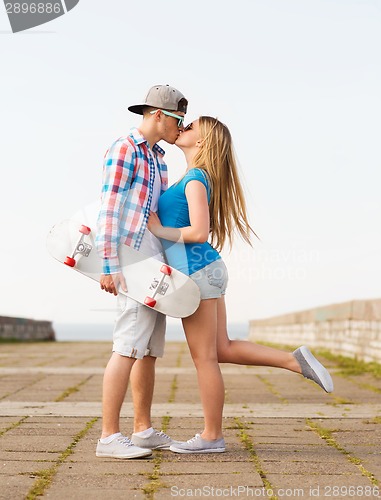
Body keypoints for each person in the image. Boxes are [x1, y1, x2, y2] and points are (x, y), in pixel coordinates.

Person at [147, 116, 334, 454]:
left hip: (196, 272)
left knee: (205, 358)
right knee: (222, 348)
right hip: (207, 269)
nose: (183, 129)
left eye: (190, 128)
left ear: (202, 142)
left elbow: (199, 233)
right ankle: (295, 362)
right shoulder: (197, 177)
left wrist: (160, 231)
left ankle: (211, 436)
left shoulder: (194, 180)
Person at [94, 85, 188, 459]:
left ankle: (142, 430)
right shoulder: (125, 149)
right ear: (158, 115)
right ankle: (108, 437)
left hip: (152, 261)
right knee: (128, 345)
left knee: (147, 350)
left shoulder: (159, 158)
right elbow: (109, 207)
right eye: (178, 120)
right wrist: (108, 264)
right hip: (128, 258)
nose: (180, 128)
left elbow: (156, 217)